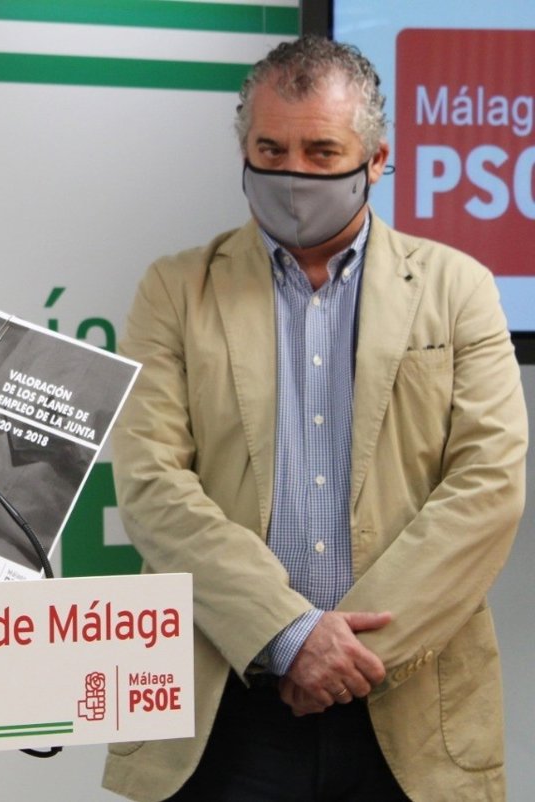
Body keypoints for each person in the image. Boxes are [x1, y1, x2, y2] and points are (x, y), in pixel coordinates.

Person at [103, 36, 527, 802]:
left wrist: (342, 656)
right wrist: (289, 636)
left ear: (377, 159)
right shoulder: (174, 290)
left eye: (321, 152)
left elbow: (488, 487)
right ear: (243, 150)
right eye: (270, 149)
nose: (292, 174)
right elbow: (151, 486)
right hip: (225, 706)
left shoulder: (457, 287)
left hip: (411, 705)